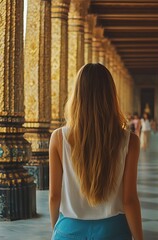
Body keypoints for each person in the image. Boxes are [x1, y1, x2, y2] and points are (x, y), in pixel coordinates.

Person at [49, 63, 143, 240]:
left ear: (77, 95)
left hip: (69, 228)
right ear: (110, 95)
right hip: (114, 230)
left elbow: (54, 196)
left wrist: (58, 229)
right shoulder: (130, 141)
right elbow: (129, 200)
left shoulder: (58, 138)